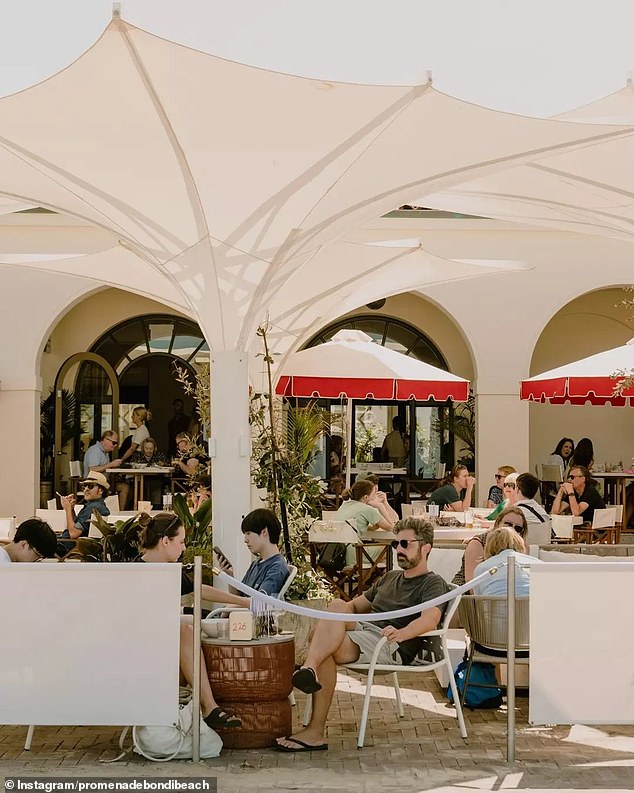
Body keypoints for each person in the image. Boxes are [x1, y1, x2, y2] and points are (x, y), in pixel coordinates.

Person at [275, 517, 449, 752]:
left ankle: (312, 702)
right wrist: (334, 620)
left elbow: (430, 619)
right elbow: (355, 607)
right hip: (366, 631)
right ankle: (310, 671)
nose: (399, 549)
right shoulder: (390, 578)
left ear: (426, 548)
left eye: (405, 544)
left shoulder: (432, 583)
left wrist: (402, 633)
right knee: (337, 606)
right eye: (395, 544)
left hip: (390, 642)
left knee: (326, 646)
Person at [137, 512, 241, 730]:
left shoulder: (166, 570)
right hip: (138, 651)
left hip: (151, 645)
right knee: (186, 631)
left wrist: (243, 601)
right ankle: (209, 707)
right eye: (181, 541)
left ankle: (208, 707)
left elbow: (198, 590)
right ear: (166, 541)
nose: (184, 548)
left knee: (187, 629)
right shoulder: (141, 573)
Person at [209, 509, 290, 606]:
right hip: (237, 616)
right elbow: (240, 596)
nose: (245, 540)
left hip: (247, 618)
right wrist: (230, 575)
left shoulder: (277, 567)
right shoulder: (256, 564)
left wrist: (228, 608)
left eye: (248, 533)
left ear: (264, 532)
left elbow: (259, 603)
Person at [452, 506, 528, 587]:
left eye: (518, 528)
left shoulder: (522, 548)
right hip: (466, 592)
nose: (512, 529)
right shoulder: (478, 543)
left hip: (502, 591)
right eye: (508, 524)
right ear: (498, 523)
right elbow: (471, 581)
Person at [334, 479, 396, 566]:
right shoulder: (367, 509)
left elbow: (352, 525)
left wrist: (372, 526)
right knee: (388, 548)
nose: (375, 497)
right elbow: (391, 527)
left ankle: (370, 577)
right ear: (366, 497)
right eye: (374, 494)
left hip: (338, 552)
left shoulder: (344, 505)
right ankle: (379, 577)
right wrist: (380, 506)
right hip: (355, 553)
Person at [473, 525, 543, 597]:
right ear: (519, 543)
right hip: (532, 607)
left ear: (489, 546)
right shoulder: (537, 564)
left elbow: (478, 599)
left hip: (493, 607)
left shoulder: (482, 567)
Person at [59, 470, 111, 540]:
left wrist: (67, 510)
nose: (86, 489)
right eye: (84, 486)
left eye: (90, 486)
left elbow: (73, 534)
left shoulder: (94, 507)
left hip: (67, 546)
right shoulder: (98, 506)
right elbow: (75, 525)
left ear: (101, 490)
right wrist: (71, 509)